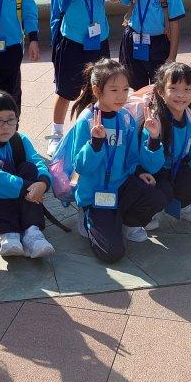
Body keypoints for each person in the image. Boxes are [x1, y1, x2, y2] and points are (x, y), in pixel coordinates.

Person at [52, 58, 166, 263]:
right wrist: (95, 145)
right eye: (114, 90)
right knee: (112, 253)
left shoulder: (126, 118)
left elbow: (133, 158)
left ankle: (128, 222)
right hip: (95, 192)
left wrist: (154, 140)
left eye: (125, 89)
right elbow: (81, 167)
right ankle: (88, 215)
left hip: (120, 185)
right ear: (97, 90)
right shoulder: (86, 120)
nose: (121, 96)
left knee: (157, 197)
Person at [48, 0, 121, 154]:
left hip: (98, 41)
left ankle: (94, 129)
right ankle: (56, 134)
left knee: (99, 89)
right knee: (65, 91)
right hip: (71, 42)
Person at [0, 90, 57, 259]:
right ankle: (8, 233)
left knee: (29, 167)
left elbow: (38, 162)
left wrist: (42, 183)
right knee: (0, 167)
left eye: (10, 119)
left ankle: (32, 232)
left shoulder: (20, 139)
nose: (5, 126)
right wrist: (27, 186)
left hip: (19, 198)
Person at [141, 62, 191, 222]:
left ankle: (182, 204)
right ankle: (145, 213)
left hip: (177, 166)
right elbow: (149, 165)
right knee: (161, 192)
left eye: (187, 89)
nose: (180, 95)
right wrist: (154, 138)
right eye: (173, 88)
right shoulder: (154, 121)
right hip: (152, 170)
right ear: (161, 91)